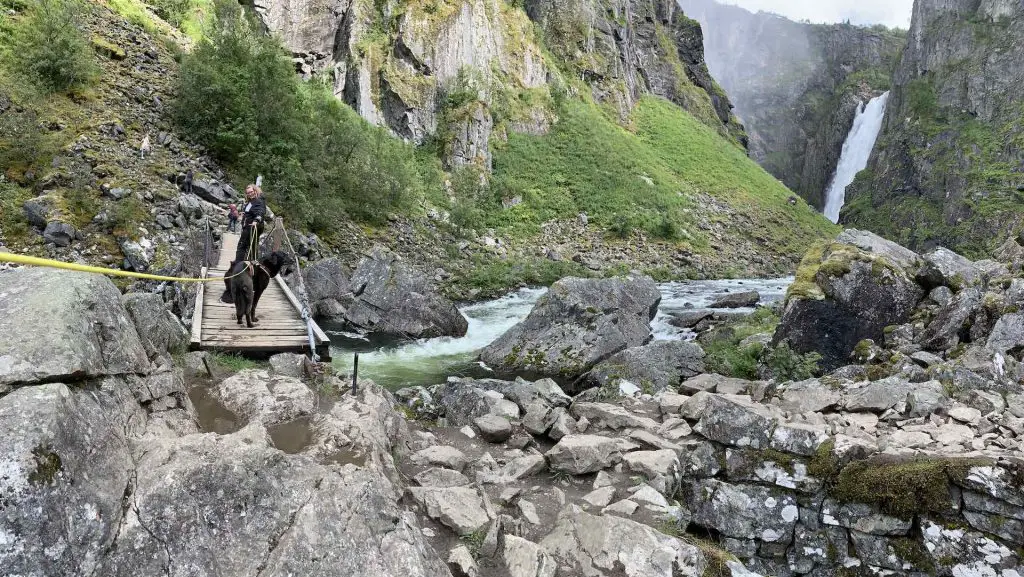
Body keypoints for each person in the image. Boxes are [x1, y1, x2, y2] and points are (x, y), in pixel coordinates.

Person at [234, 184, 266, 263]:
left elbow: (260, 212)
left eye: (251, 192)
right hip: (248, 227)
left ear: (255, 191)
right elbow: (251, 211)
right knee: (251, 247)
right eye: (248, 193)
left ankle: (238, 265)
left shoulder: (259, 201)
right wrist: (244, 214)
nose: (250, 194)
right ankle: (252, 265)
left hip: (252, 227)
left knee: (242, 246)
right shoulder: (252, 201)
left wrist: (256, 220)